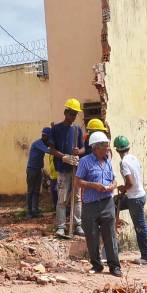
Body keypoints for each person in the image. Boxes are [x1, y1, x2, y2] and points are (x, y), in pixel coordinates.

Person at [74, 132, 121, 276]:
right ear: (95, 148)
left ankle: (114, 266)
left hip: (107, 203)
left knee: (110, 235)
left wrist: (113, 186)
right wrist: (93, 185)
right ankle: (96, 265)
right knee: (92, 235)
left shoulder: (108, 161)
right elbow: (78, 181)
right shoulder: (85, 162)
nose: (107, 149)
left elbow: (114, 179)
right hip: (90, 205)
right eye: (104, 146)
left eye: (107, 146)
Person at [114, 135, 147, 265]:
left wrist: (124, 188)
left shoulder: (124, 162)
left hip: (134, 198)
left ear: (116, 150)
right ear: (128, 147)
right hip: (138, 195)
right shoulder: (133, 158)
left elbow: (130, 182)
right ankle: (113, 234)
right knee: (113, 202)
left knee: (140, 227)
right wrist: (124, 191)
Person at [51, 98, 84, 237]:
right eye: (71, 113)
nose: (73, 116)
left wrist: (78, 153)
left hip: (76, 170)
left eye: (75, 114)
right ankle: (61, 227)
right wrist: (63, 156)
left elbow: (83, 149)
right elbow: (52, 149)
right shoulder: (56, 129)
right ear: (65, 112)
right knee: (62, 199)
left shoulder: (77, 130)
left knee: (77, 198)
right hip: (63, 170)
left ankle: (78, 225)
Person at [26, 127, 57, 218]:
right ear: (44, 136)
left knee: (36, 191)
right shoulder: (38, 143)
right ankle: (29, 211)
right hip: (31, 170)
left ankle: (35, 210)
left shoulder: (43, 143)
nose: (48, 139)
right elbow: (49, 151)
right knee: (30, 191)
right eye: (48, 137)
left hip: (38, 169)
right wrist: (52, 145)